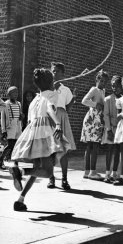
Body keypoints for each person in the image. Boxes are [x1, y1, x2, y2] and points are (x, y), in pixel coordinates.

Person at [9, 68, 68, 211]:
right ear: (50, 82)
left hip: (33, 134)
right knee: (48, 172)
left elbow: (30, 121)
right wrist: (58, 123)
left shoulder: (35, 99)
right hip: (45, 133)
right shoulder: (53, 95)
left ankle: (20, 199)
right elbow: (49, 108)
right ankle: (21, 172)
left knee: (37, 169)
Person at [49, 62, 76, 190]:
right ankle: (51, 178)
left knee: (64, 150)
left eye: (56, 71)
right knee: (51, 150)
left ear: (62, 73)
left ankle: (64, 179)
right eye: (53, 71)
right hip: (50, 117)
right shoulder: (47, 88)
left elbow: (69, 104)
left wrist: (65, 110)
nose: (54, 73)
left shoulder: (65, 89)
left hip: (62, 117)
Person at [80, 70, 109, 180]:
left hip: (98, 120)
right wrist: (95, 104)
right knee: (91, 146)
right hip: (92, 119)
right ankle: (90, 172)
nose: (102, 83)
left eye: (105, 81)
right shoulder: (94, 89)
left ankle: (89, 171)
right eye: (101, 81)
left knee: (94, 146)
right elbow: (84, 101)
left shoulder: (103, 91)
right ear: (97, 80)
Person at [102, 75, 122, 183]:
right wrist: (109, 130)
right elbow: (106, 115)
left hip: (120, 129)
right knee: (109, 150)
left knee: (117, 150)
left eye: (117, 86)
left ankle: (115, 173)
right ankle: (107, 173)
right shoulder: (108, 99)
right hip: (111, 128)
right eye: (113, 86)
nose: (115, 88)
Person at [0, 86, 23, 169]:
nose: (15, 95)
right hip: (10, 127)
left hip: (18, 126)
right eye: (13, 93)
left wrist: (21, 117)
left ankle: (16, 163)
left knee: (17, 145)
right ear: (9, 94)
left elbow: (19, 115)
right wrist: (3, 130)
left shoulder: (19, 103)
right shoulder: (5, 104)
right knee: (10, 145)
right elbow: (3, 118)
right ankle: (1, 159)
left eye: (17, 93)